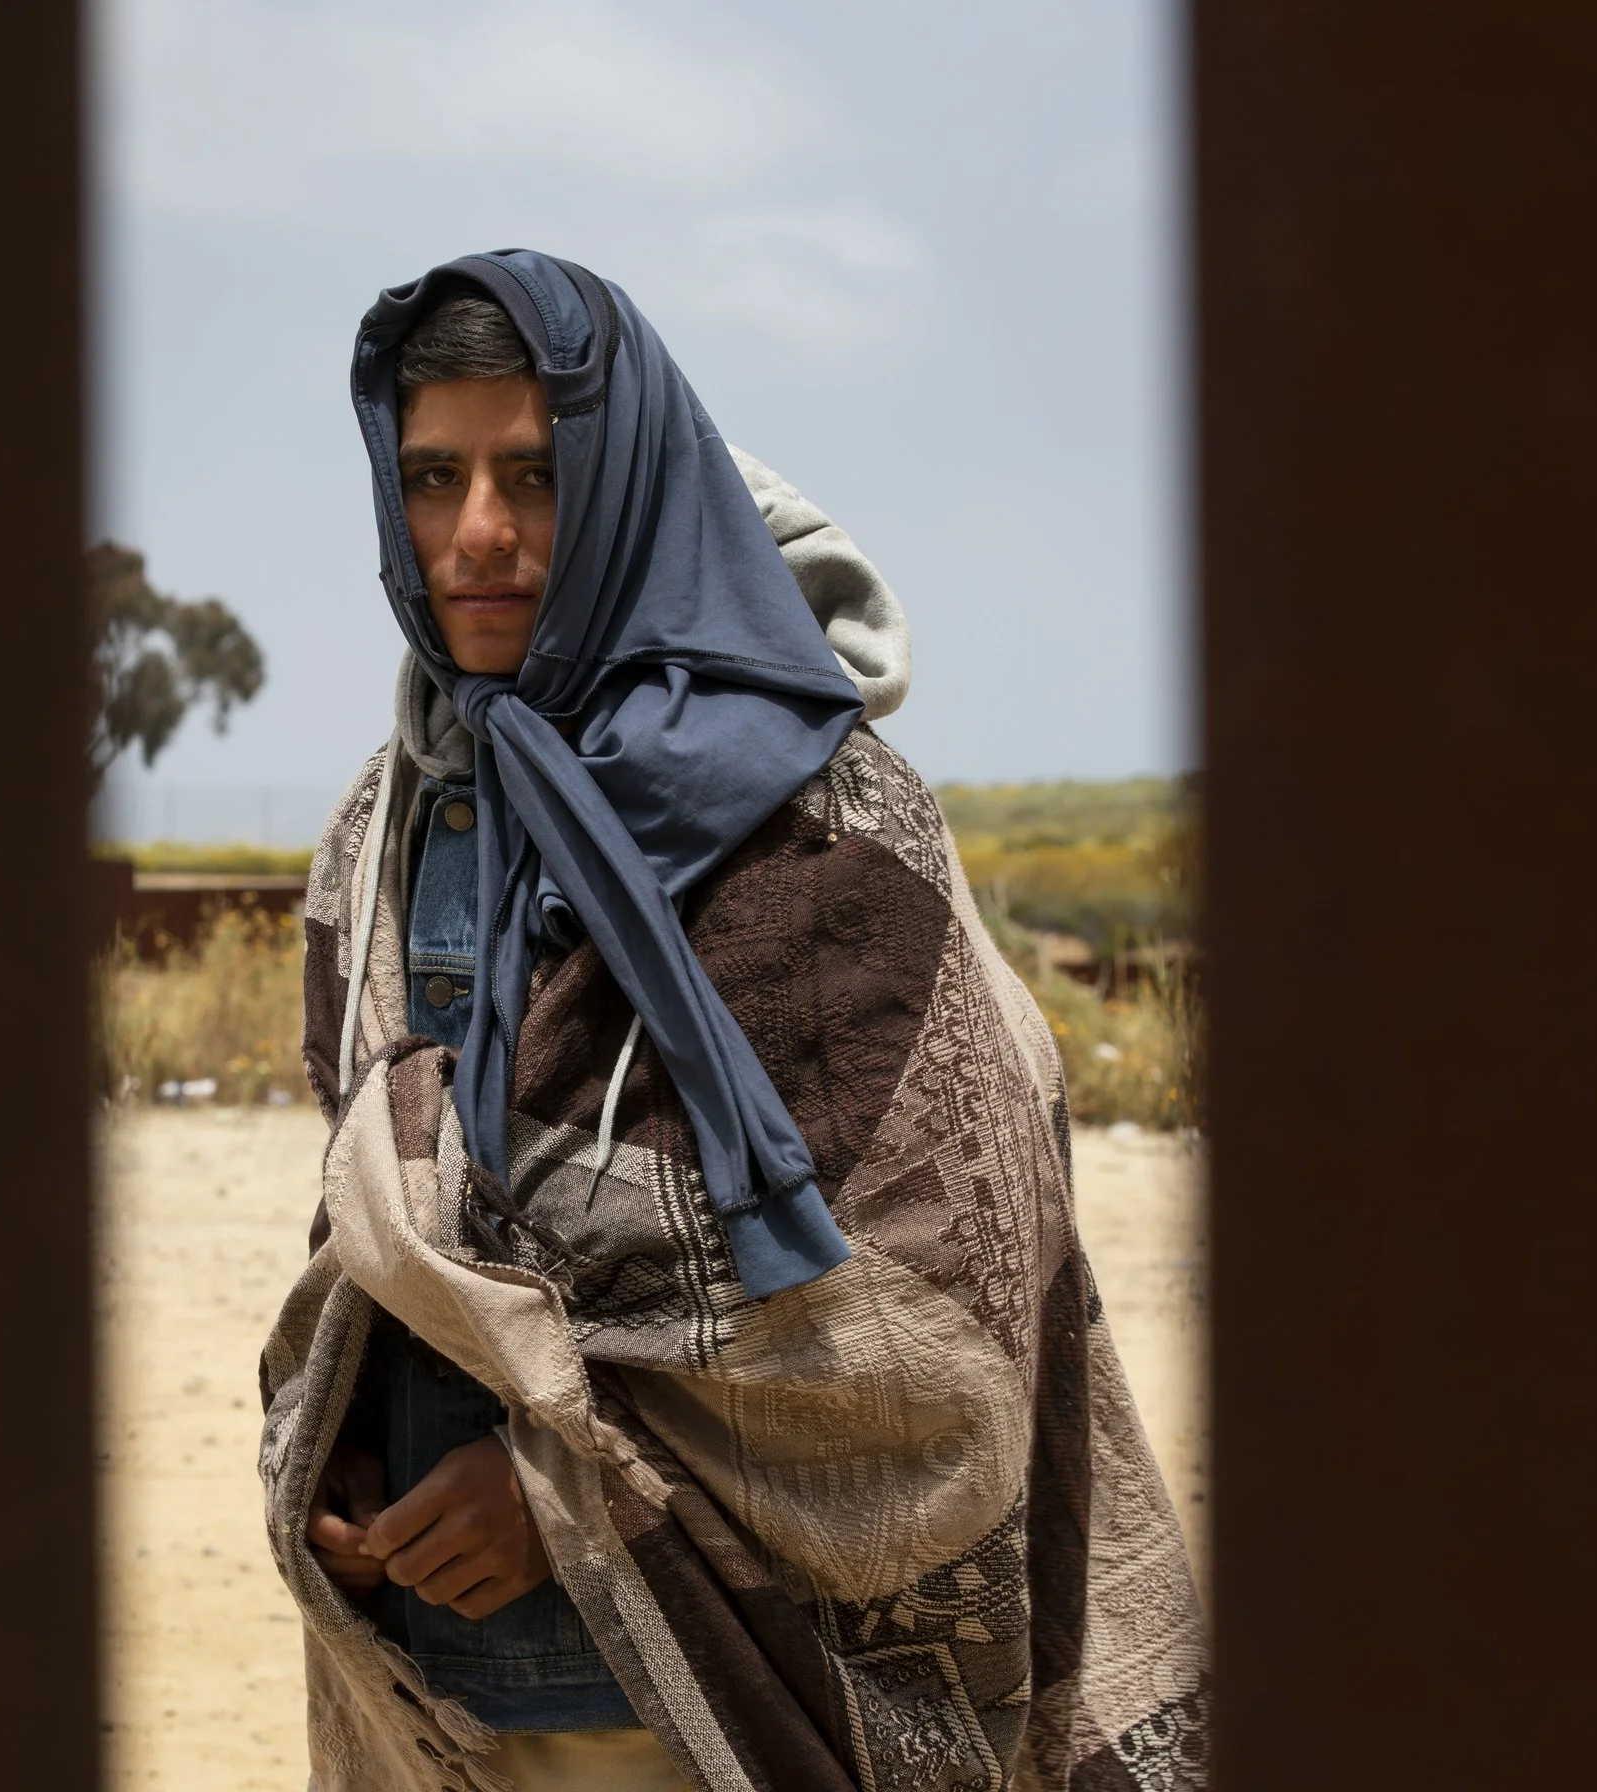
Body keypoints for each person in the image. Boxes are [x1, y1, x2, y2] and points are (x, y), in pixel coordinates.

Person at [258, 249, 1206, 1792]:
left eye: (534, 475)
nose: (476, 536)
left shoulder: (820, 817)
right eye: (433, 476)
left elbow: (942, 1296)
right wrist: (349, 1453)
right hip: (447, 1698)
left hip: (733, 1703)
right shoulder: (389, 824)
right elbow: (375, 1220)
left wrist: (560, 1484)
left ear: (629, 481)